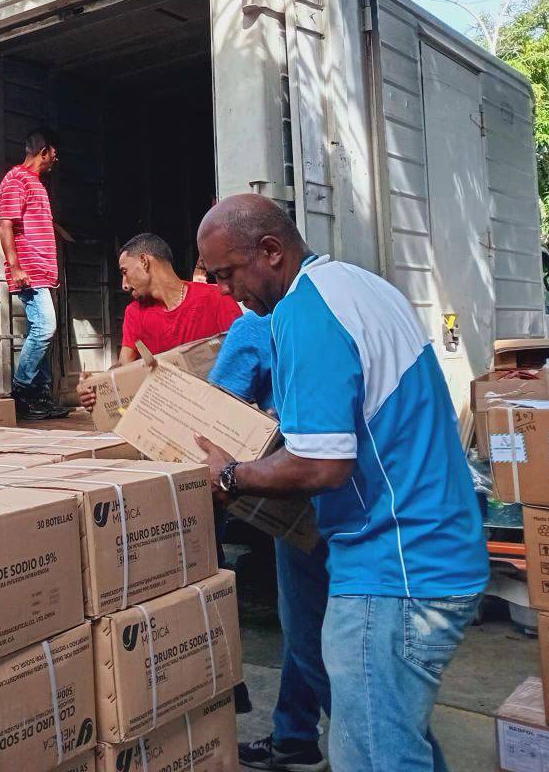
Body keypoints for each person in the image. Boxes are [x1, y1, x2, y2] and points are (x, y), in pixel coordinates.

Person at [195, 194, 488, 772]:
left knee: (375, 757)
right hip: (432, 552)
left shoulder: (305, 313)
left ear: (271, 251)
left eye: (226, 275)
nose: (225, 292)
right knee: (399, 740)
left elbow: (323, 464)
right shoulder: (360, 286)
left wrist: (229, 474)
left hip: (396, 572)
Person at [209, 312, 331, 772]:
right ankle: (295, 736)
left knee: (304, 626)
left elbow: (219, 411)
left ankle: (361, 737)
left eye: (226, 273)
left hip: (293, 495)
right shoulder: (330, 316)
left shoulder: (257, 325)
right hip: (350, 501)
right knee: (314, 623)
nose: (223, 288)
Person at [78, 233, 241, 410]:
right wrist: (97, 387)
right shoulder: (134, 312)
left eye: (125, 272)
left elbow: (241, 360)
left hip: (216, 411)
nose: (124, 285)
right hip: (166, 414)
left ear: (144, 261)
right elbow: (124, 366)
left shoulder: (216, 299)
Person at [0, 128, 69, 420]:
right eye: (54, 152)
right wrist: (15, 267)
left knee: (40, 332)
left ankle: (40, 397)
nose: (56, 158)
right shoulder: (16, 180)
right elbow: (5, 225)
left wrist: (52, 272)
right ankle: (21, 391)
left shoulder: (36, 183)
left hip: (42, 273)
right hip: (29, 272)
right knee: (44, 329)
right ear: (44, 151)